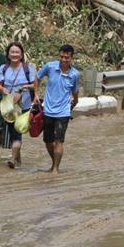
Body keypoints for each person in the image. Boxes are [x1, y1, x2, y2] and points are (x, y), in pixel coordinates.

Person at [37, 44, 80, 175]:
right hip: (47, 110)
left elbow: (75, 94)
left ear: (71, 58)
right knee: (48, 141)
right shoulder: (50, 66)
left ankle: (55, 169)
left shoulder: (75, 74)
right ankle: (53, 163)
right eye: (61, 57)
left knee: (59, 140)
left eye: (67, 58)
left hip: (63, 112)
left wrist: (72, 105)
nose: (63, 60)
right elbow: (37, 78)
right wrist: (36, 94)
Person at [0, 42, 38, 169]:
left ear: (21, 54)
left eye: (17, 52)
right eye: (12, 52)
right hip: (9, 107)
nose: (14, 54)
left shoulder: (28, 68)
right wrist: (3, 90)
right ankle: (18, 162)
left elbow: (35, 84)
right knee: (14, 134)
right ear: (8, 54)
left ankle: (13, 160)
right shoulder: (4, 68)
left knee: (17, 133)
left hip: (24, 106)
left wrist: (23, 88)